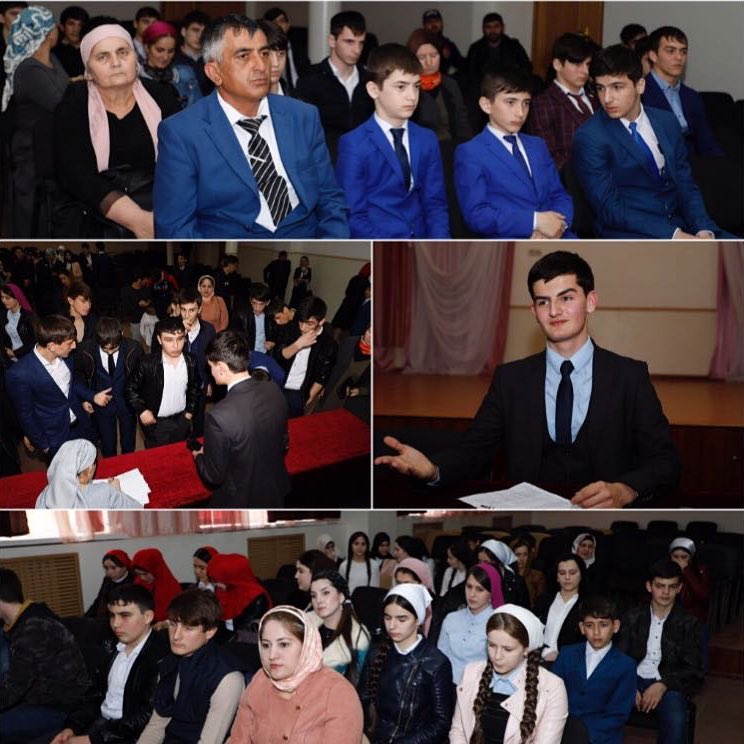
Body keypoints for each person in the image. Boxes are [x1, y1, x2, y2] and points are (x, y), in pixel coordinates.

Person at [376, 250, 681, 507]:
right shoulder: (510, 379)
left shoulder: (629, 376)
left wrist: (625, 489)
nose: (555, 311)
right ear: (534, 311)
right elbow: (474, 451)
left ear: (590, 302)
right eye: (543, 302)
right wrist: (433, 470)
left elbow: (665, 460)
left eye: (566, 298)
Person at [153, 14, 349, 239]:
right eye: (243, 56)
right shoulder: (182, 132)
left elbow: (330, 198)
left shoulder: (302, 116)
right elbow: (175, 228)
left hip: (303, 237)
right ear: (215, 73)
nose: (261, 66)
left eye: (264, 53)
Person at [572, 44, 730, 239]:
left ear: (640, 85)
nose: (607, 98)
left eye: (617, 87)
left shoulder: (667, 121)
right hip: (630, 233)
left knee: (733, 251)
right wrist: (673, 235)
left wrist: (702, 228)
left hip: (681, 224)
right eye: (600, 88)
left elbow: (685, 183)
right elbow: (609, 208)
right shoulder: (590, 137)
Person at [54, 23, 180, 238]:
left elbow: (183, 159)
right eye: (102, 57)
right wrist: (138, 220)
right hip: (96, 208)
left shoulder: (161, 95)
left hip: (160, 200)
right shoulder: (74, 103)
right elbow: (77, 174)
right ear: (89, 70)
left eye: (123, 53)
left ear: (135, 58)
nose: (116, 63)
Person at [336, 43, 450, 239]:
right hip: (380, 241)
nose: (412, 96)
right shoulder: (354, 144)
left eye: (416, 86)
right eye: (401, 87)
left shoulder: (427, 139)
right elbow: (353, 216)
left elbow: (435, 205)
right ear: (374, 90)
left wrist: (439, 245)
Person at [455, 67, 574, 239]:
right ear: (486, 105)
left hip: (556, 235)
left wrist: (558, 227)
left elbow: (560, 195)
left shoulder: (537, 145)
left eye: (526, 103)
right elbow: (477, 215)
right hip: (510, 240)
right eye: (511, 102)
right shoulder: (471, 152)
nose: (520, 113)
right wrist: (535, 222)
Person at [50, 584, 170, 744]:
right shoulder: (110, 646)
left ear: (148, 617)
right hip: (102, 724)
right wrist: (72, 728)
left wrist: (91, 740)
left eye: (125, 615)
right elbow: (93, 696)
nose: (115, 623)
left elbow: (144, 718)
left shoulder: (160, 656)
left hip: (129, 735)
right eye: (112, 615)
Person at [227, 605, 364, 741]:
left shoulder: (337, 693)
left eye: (284, 644)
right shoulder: (260, 680)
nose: (272, 655)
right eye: (266, 645)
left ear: (306, 645)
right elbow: (238, 739)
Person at [193, 331, 290, 507]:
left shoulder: (218, 417)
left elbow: (214, 475)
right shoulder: (273, 389)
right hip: (275, 488)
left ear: (221, 367)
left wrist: (199, 457)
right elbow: (283, 441)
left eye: (211, 366)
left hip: (241, 499)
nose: (211, 372)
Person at [449, 604, 568, 743]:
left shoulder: (552, 687)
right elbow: (458, 731)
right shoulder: (471, 672)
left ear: (526, 649)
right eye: (492, 645)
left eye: (508, 649)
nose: (497, 656)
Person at [137, 589, 244, 743]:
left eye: (188, 628)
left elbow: (210, 741)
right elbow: (157, 725)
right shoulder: (170, 663)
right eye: (173, 624)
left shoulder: (228, 679)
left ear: (210, 632)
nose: (176, 636)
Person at [616, 560, 704, 744]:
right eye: (660, 586)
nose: (666, 592)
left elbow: (693, 668)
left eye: (672, 587)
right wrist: (629, 684)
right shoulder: (632, 617)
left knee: (676, 720)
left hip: (668, 681)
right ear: (649, 586)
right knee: (597, 705)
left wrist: (663, 684)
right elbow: (619, 658)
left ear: (679, 588)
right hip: (633, 678)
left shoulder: (689, 624)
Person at [0, 568, 90, 743]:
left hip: (62, 706)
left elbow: (14, 688)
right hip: (42, 696)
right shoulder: (28, 618)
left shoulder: (32, 629)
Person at [2, 5, 68, 238]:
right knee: (28, 210)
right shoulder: (29, 69)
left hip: (48, 148)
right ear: (47, 33)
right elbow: (60, 102)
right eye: (54, 26)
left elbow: (65, 89)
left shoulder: (52, 59)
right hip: (30, 152)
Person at [358, 584, 454, 742]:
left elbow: (441, 723)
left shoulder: (436, 663)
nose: (392, 626)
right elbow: (361, 702)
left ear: (418, 620)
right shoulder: (376, 653)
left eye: (401, 619)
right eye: (387, 617)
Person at [6, 315, 107, 459]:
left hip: (81, 424)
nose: (74, 346)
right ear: (52, 346)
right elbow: (26, 415)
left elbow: (71, 383)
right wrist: (45, 446)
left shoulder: (67, 356)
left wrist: (92, 396)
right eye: (70, 343)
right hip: (55, 438)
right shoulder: (19, 374)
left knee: (89, 462)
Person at [552, 595, 636, 744]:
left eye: (603, 625)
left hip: (601, 737)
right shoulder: (566, 654)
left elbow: (618, 714)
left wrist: (583, 737)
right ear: (582, 628)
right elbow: (551, 696)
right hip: (562, 732)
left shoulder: (626, 665)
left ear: (615, 626)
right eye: (590, 625)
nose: (596, 632)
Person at [295, 10, 374, 161]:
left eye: (361, 43)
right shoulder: (310, 80)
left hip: (365, 162)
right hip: (325, 163)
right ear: (332, 41)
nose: (357, 50)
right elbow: (303, 131)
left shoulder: (369, 81)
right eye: (349, 42)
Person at [642, 26, 724, 157]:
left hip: (695, 163)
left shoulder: (692, 96)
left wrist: (723, 164)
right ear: (653, 56)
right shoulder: (640, 93)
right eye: (670, 51)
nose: (679, 57)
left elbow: (707, 142)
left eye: (683, 51)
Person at [525, 33, 598, 170]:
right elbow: (549, 158)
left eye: (587, 64)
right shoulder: (543, 104)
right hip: (569, 179)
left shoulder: (597, 97)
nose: (585, 71)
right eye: (577, 64)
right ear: (557, 65)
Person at [125, 316, 198, 448]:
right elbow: (129, 388)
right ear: (159, 339)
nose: (175, 346)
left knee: (180, 454)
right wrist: (142, 410)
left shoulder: (191, 360)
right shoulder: (146, 363)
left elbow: (194, 387)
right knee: (157, 458)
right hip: (156, 424)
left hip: (182, 420)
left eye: (180, 338)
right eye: (169, 340)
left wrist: (189, 413)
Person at [77, 316, 142, 457]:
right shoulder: (85, 350)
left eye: (114, 348)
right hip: (101, 404)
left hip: (127, 403)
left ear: (122, 335)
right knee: (107, 445)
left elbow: (141, 376)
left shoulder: (134, 348)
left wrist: (139, 402)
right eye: (105, 349)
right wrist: (86, 398)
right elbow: (79, 376)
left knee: (128, 443)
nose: (110, 352)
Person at [438, 563, 505, 683]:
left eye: (480, 589)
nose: (472, 594)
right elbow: (441, 658)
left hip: (482, 688)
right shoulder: (451, 619)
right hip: (448, 686)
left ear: (491, 592)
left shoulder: (498, 624)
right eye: (469, 587)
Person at [276, 295, 337, 417]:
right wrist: (298, 344)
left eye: (310, 324)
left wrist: (308, 398)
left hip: (299, 392)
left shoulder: (329, 344)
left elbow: (322, 377)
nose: (303, 328)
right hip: (278, 382)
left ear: (321, 321)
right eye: (301, 322)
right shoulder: (291, 328)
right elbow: (278, 355)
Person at [35, 438, 141, 508]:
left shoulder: (45, 497)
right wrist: (117, 492)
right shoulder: (104, 492)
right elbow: (137, 512)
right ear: (90, 468)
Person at [406, 28, 471, 143]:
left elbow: (463, 124)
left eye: (433, 55)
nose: (429, 62)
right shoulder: (406, 88)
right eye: (422, 58)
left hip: (451, 146)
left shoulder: (450, 84)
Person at [308, 569, 370, 683]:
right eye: (313, 596)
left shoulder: (357, 638)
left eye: (325, 593)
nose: (318, 600)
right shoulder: (306, 627)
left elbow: (356, 684)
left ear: (341, 597)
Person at [534, 553, 587, 662]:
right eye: (562, 573)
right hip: (538, 659)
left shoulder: (587, 605)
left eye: (572, 573)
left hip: (569, 662)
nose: (567, 577)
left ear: (581, 575)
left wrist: (560, 656)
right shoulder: (543, 601)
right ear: (557, 577)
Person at [139, 20, 202, 108]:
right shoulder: (135, 79)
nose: (165, 57)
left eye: (171, 51)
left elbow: (199, 108)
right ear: (146, 47)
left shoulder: (186, 74)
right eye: (160, 50)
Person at [206, 553, 271, 635]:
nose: (216, 585)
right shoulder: (222, 590)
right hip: (223, 636)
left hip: (246, 638)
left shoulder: (256, 598)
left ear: (232, 577)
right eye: (214, 581)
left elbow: (247, 631)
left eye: (219, 580)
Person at [465, 11, 531, 87]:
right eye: (488, 27)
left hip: (510, 85)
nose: (492, 31)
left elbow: (526, 67)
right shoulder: (476, 49)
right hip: (484, 87)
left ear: (503, 27)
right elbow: (471, 74)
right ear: (483, 29)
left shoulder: (514, 46)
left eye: (496, 26)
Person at [262, 6, 309, 94]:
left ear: (288, 25)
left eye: (281, 21)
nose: (276, 63)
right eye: (267, 54)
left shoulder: (301, 46)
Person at [131, 548, 183, 624]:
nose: (142, 578)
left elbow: (177, 616)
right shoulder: (138, 583)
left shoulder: (171, 587)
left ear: (155, 569)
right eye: (138, 574)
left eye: (145, 574)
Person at [476, 539, 530, 608]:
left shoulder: (516, 582)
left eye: (486, 562)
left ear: (499, 562)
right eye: (479, 561)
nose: (481, 565)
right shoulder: (476, 578)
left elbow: (524, 609)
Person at [668, 537, 711, 624]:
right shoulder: (665, 567)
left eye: (684, 557)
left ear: (691, 557)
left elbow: (702, 594)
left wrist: (686, 571)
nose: (679, 560)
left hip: (691, 614)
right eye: (675, 557)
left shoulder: (701, 570)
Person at [85, 549, 135, 617]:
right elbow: (99, 600)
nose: (109, 572)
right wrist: (85, 617)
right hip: (102, 616)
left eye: (113, 568)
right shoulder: (107, 579)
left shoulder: (133, 583)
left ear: (124, 567)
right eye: (106, 568)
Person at [1, 282, 36, 367]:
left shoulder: (28, 316)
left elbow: (35, 341)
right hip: (11, 360)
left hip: (28, 357)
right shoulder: (3, 315)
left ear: (17, 298)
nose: (3, 301)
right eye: (2, 297)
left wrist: (15, 353)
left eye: (7, 298)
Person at [421, 8, 465, 75]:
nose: (434, 24)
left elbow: (460, 63)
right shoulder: (420, 43)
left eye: (436, 21)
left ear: (442, 23)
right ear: (424, 25)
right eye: (429, 22)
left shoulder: (448, 44)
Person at [52, 5, 88, 77]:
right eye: (71, 24)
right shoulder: (53, 52)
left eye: (80, 25)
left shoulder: (90, 50)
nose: (76, 29)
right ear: (62, 27)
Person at [511, 536, 546, 608]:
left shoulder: (537, 576)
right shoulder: (507, 575)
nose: (521, 558)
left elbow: (540, 604)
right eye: (518, 555)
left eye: (525, 554)